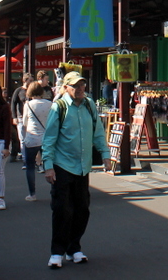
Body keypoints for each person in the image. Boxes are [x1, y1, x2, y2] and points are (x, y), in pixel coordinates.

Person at [42, 71, 109, 268]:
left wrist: (105, 154)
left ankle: (74, 248)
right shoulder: (59, 107)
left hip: (83, 166)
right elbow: (49, 138)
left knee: (82, 209)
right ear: (66, 87)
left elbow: (98, 132)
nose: (80, 89)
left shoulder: (89, 105)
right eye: (76, 86)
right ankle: (57, 252)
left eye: (82, 85)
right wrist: (48, 166)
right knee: (62, 209)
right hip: (62, 165)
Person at [21, 81, 52, 201]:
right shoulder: (49, 104)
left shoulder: (28, 105)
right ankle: (55, 190)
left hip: (32, 138)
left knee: (30, 166)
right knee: (50, 165)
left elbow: (24, 124)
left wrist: (23, 138)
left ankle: (32, 194)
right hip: (46, 139)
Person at [10, 73, 33, 163]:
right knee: (22, 139)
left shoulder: (33, 91)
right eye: (30, 81)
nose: (31, 82)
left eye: (32, 81)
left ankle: (31, 157)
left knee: (30, 138)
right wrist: (14, 117)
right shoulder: (19, 90)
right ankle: (25, 158)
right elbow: (13, 103)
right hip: (21, 116)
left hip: (31, 117)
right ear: (25, 80)